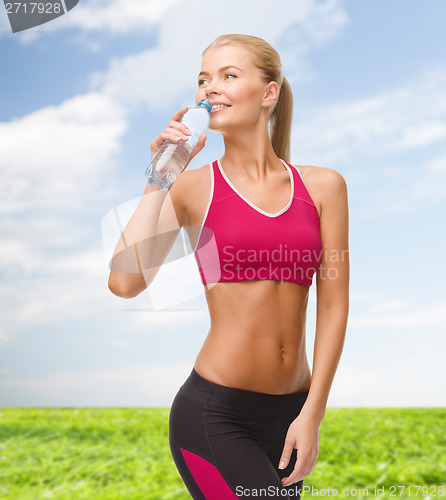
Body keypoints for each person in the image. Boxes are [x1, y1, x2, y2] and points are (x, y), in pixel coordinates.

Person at [108, 33, 349, 500]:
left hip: (292, 413)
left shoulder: (325, 187)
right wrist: (160, 177)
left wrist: (312, 413)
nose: (209, 88)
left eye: (228, 76)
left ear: (268, 93)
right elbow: (124, 282)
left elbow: (334, 307)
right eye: (203, 80)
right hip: (216, 414)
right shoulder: (191, 188)